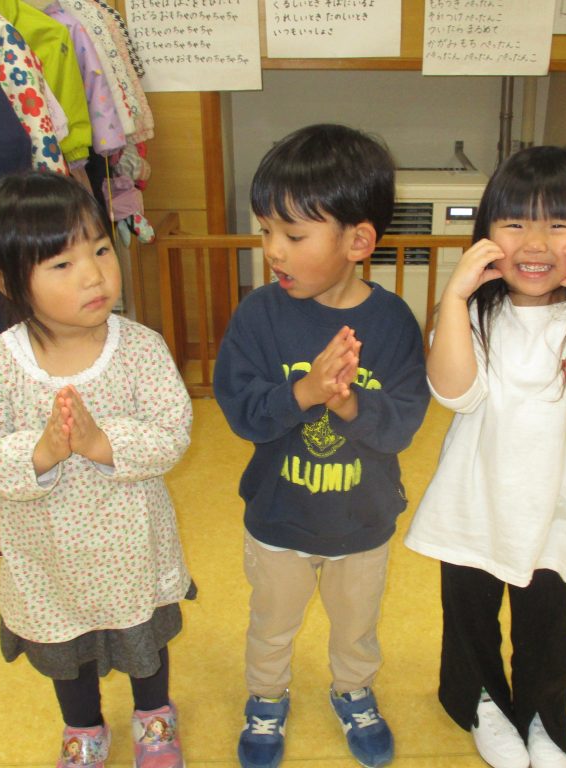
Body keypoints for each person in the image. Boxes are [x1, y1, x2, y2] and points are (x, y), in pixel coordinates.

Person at [404, 145, 566, 768]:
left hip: (551, 510)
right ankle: (481, 699)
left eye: (559, 224)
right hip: (471, 504)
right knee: (469, 617)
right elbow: (454, 392)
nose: (535, 243)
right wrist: (454, 299)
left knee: (547, 623)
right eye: (514, 223)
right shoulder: (474, 312)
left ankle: (543, 710)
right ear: (487, 234)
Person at [0, 170, 195, 768]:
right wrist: (42, 453)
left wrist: (100, 443)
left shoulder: (140, 348)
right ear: (8, 281)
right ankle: (83, 727)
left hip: (132, 549)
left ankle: (154, 717)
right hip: (49, 557)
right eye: (62, 264)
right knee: (65, 651)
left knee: (145, 640)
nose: (94, 275)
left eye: (102, 250)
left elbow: (172, 432)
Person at [213, 123, 430, 768]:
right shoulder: (259, 315)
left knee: (357, 625)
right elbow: (242, 412)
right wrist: (304, 393)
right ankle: (266, 697)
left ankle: (353, 689)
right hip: (279, 517)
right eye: (266, 231)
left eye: (293, 235)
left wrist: (349, 403)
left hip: (363, 521)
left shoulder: (392, 323)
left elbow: (403, 423)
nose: (273, 251)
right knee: (271, 623)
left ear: (358, 241)